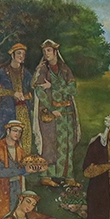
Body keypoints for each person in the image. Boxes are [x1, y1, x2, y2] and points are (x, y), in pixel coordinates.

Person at [32, 39, 81, 189]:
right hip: (50, 113)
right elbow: (39, 91)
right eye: (44, 51)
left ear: (55, 52)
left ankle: (68, 176)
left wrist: (53, 85)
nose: (46, 53)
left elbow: (73, 89)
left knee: (68, 143)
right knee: (50, 144)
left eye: (49, 50)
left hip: (67, 112)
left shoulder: (64, 69)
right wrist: (51, 108)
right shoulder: (42, 70)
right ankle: (46, 177)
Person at [0, 119, 43, 219]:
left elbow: (23, 170)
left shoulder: (19, 150)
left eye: (19, 131)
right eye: (15, 130)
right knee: (3, 216)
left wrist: (31, 170)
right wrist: (23, 171)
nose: (17, 134)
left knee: (16, 215)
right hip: (1, 187)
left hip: (17, 186)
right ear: (8, 131)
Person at [0, 43, 34, 153]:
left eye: (23, 54)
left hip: (23, 111)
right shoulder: (2, 72)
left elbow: (32, 92)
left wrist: (26, 96)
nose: (21, 56)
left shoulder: (26, 73)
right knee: (7, 139)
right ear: (12, 55)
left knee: (25, 141)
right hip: (6, 110)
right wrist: (12, 93)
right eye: (19, 53)